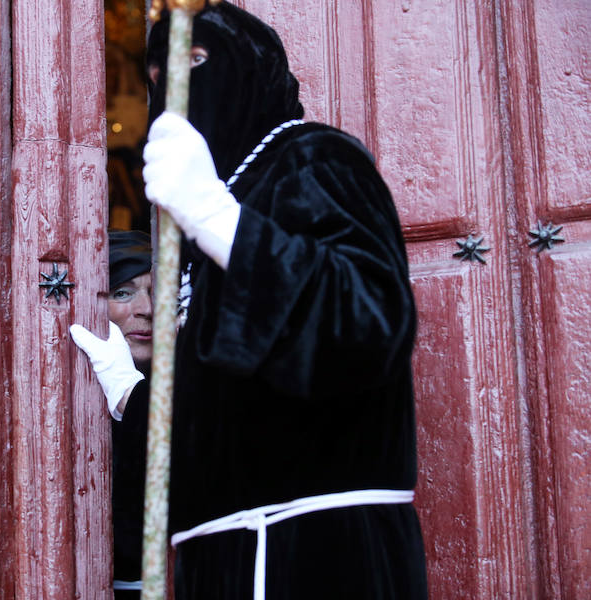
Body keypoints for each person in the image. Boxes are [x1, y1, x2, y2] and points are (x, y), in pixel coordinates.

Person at [138, 2, 428, 599]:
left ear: (251, 67)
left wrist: (219, 219)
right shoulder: (203, 203)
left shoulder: (312, 159)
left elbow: (368, 321)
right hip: (217, 553)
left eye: (195, 61)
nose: (176, 88)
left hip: (315, 548)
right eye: (158, 76)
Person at [70, 230, 154, 599]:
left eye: (158, 291)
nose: (147, 308)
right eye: (122, 292)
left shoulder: (201, 380)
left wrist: (126, 392)